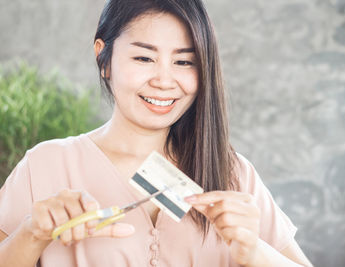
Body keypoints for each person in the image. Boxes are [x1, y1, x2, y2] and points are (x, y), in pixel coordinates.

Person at [0, 0, 312, 266]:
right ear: (103, 58)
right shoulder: (45, 164)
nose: (164, 80)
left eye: (184, 61)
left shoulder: (234, 174)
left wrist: (254, 251)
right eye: (144, 58)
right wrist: (32, 234)